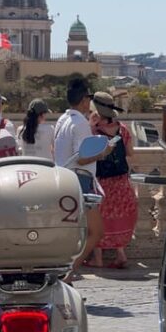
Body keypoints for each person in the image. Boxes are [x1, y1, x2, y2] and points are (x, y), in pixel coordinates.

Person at [54, 77, 113, 282]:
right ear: (84, 101)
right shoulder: (80, 124)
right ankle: (67, 273)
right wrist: (104, 152)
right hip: (80, 181)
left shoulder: (63, 120)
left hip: (63, 179)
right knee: (96, 232)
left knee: (72, 234)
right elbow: (81, 157)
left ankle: (65, 274)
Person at [87, 92, 138, 269]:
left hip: (102, 181)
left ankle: (98, 258)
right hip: (121, 180)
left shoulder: (93, 130)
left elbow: (87, 153)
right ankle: (120, 254)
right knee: (119, 217)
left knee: (99, 218)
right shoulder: (122, 129)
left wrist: (90, 125)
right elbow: (130, 153)